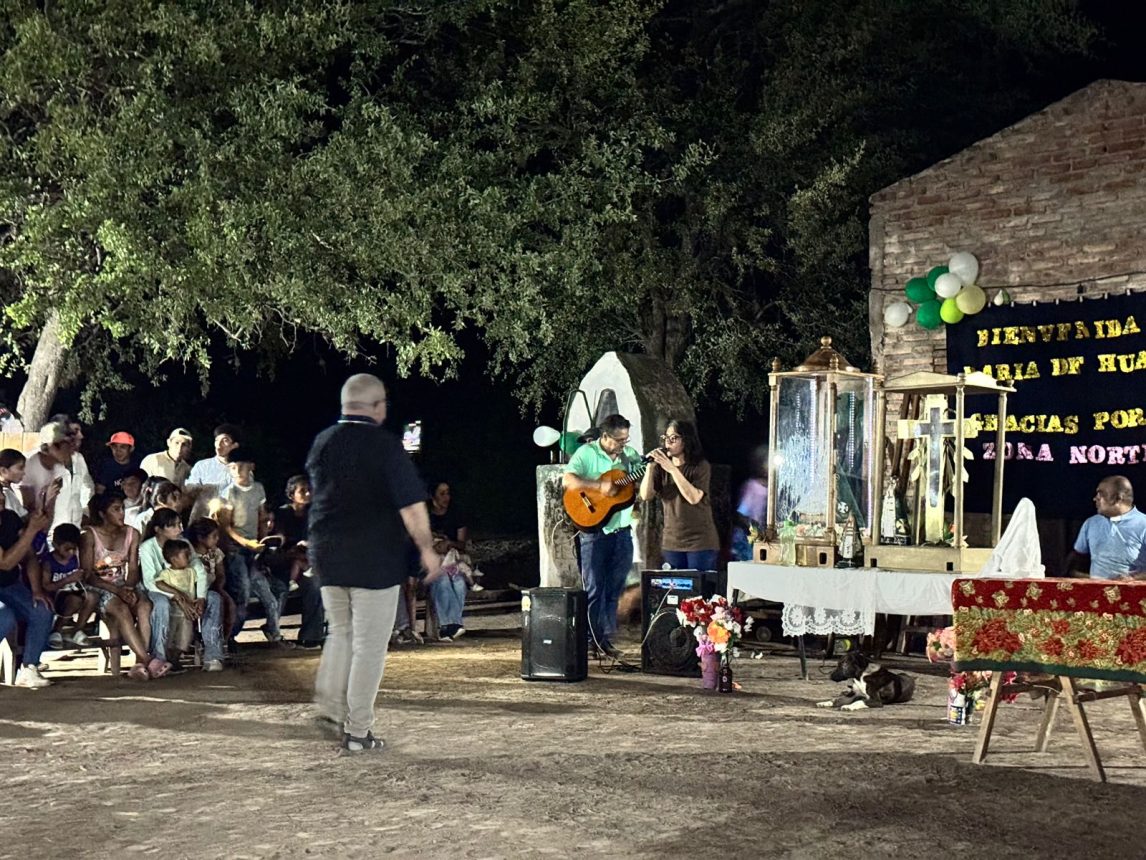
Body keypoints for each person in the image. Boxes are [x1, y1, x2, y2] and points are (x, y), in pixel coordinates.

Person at [307, 373, 442, 754]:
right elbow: (411, 506)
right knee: (369, 647)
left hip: (327, 554)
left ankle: (330, 705)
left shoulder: (323, 441)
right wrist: (427, 549)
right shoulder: (385, 446)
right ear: (377, 406)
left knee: (341, 633)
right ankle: (357, 731)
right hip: (373, 557)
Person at [563, 413, 640, 659]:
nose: (623, 444)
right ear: (605, 436)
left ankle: (604, 640)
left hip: (622, 532)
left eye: (626, 439)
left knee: (614, 589)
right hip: (594, 532)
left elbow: (641, 479)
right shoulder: (587, 453)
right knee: (594, 588)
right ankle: (589, 640)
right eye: (619, 440)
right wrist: (598, 487)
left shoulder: (629, 456)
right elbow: (568, 480)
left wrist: (652, 467)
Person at [81, 492, 161, 680]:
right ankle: (147, 659)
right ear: (102, 514)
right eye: (116, 509)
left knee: (144, 606)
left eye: (122, 508)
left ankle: (139, 664)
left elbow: (133, 568)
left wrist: (129, 588)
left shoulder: (132, 534)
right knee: (121, 609)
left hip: (123, 584)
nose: (122, 513)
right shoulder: (89, 535)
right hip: (98, 586)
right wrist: (118, 591)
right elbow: (88, 575)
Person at [140, 507, 225, 672]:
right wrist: (178, 597)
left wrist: (201, 598)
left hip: (187, 589)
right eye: (173, 526)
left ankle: (213, 656)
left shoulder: (184, 544)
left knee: (214, 598)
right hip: (159, 592)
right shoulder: (147, 548)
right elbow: (151, 582)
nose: (179, 529)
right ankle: (159, 658)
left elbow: (199, 571)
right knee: (161, 604)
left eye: (179, 524)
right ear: (158, 529)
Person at [217, 447, 286, 647]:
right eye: (233, 467)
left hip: (254, 549)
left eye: (241, 466)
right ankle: (230, 637)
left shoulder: (258, 489)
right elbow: (226, 526)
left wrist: (262, 542)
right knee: (243, 594)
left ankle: (274, 634)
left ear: (251, 467)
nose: (238, 470)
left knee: (270, 594)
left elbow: (262, 517)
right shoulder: (229, 492)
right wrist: (246, 543)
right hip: (236, 550)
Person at [639, 419, 720, 571]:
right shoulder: (660, 469)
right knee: (674, 585)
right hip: (672, 542)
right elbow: (645, 495)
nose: (668, 443)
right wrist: (650, 468)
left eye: (674, 438)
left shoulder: (700, 466)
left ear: (686, 440)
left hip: (700, 542)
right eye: (666, 438)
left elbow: (694, 498)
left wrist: (672, 469)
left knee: (698, 584)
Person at [267, 474, 325, 649]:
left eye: (309, 490)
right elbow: (278, 539)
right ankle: (272, 629)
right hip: (284, 560)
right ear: (292, 494)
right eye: (302, 491)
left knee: (315, 585)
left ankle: (311, 636)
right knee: (285, 585)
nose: (307, 494)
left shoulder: (313, 514)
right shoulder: (282, 513)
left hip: (305, 560)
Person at [0, 499, 53, 687]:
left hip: (9, 585)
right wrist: (32, 529)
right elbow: (5, 563)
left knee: (42, 609)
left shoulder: (10, 518)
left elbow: (29, 555)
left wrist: (37, 590)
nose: (1, 499)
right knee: (4, 616)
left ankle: (29, 667)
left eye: (1, 494)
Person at [1065, 476, 1146, 580]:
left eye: (1101, 494)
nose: (1095, 498)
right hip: (1096, 589)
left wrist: (1134, 579)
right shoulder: (1091, 523)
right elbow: (1075, 560)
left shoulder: (1143, 524)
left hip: (1133, 589)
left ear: (1118, 498)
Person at [34, 522, 98, 649]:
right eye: (67, 549)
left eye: (74, 548)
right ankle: (56, 631)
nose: (71, 552)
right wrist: (68, 579)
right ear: (55, 545)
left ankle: (77, 630)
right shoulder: (48, 562)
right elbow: (46, 586)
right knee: (74, 600)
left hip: (73, 592)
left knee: (93, 597)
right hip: (55, 598)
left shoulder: (76, 559)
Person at [426, 481, 475, 641]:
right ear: (433, 496)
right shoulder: (426, 516)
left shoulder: (456, 515)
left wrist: (449, 543)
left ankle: (449, 626)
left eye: (448, 493)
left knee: (459, 583)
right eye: (442, 493)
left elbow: (462, 545)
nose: (446, 497)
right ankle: (451, 625)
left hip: (452, 561)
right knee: (442, 581)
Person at [20, 422, 82, 532]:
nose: (71, 452)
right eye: (67, 446)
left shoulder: (60, 467)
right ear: (51, 446)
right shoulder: (28, 466)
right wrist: (47, 498)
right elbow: (28, 510)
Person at [188, 517, 236, 652]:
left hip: (213, 587)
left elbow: (220, 573)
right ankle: (194, 641)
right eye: (213, 536)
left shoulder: (215, 553)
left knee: (229, 606)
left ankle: (222, 640)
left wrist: (219, 587)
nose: (217, 539)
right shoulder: (190, 555)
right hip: (194, 590)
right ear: (200, 538)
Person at [154, 538, 201, 656]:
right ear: (174, 559)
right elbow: (159, 583)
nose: (189, 558)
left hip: (187, 614)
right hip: (172, 613)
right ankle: (169, 658)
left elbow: (199, 583)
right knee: (169, 639)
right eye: (186, 556)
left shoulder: (191, 572)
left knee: (184, 641)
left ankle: (176, 658)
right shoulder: (166, 574)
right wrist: (176, 593)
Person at [185, 424, 240, 519]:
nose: (219, 444)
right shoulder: (202, 466)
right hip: (202, 519)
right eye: (217, 440)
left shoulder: (241, 470)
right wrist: (205, 488)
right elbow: (190, 488)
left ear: (235, 445)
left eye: (225, 440)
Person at [0, 448, 29, 520]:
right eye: (20, 468)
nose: (24, 473)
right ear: (4, 471)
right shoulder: (5, 493)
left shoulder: (10, 490)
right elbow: (22, 519)